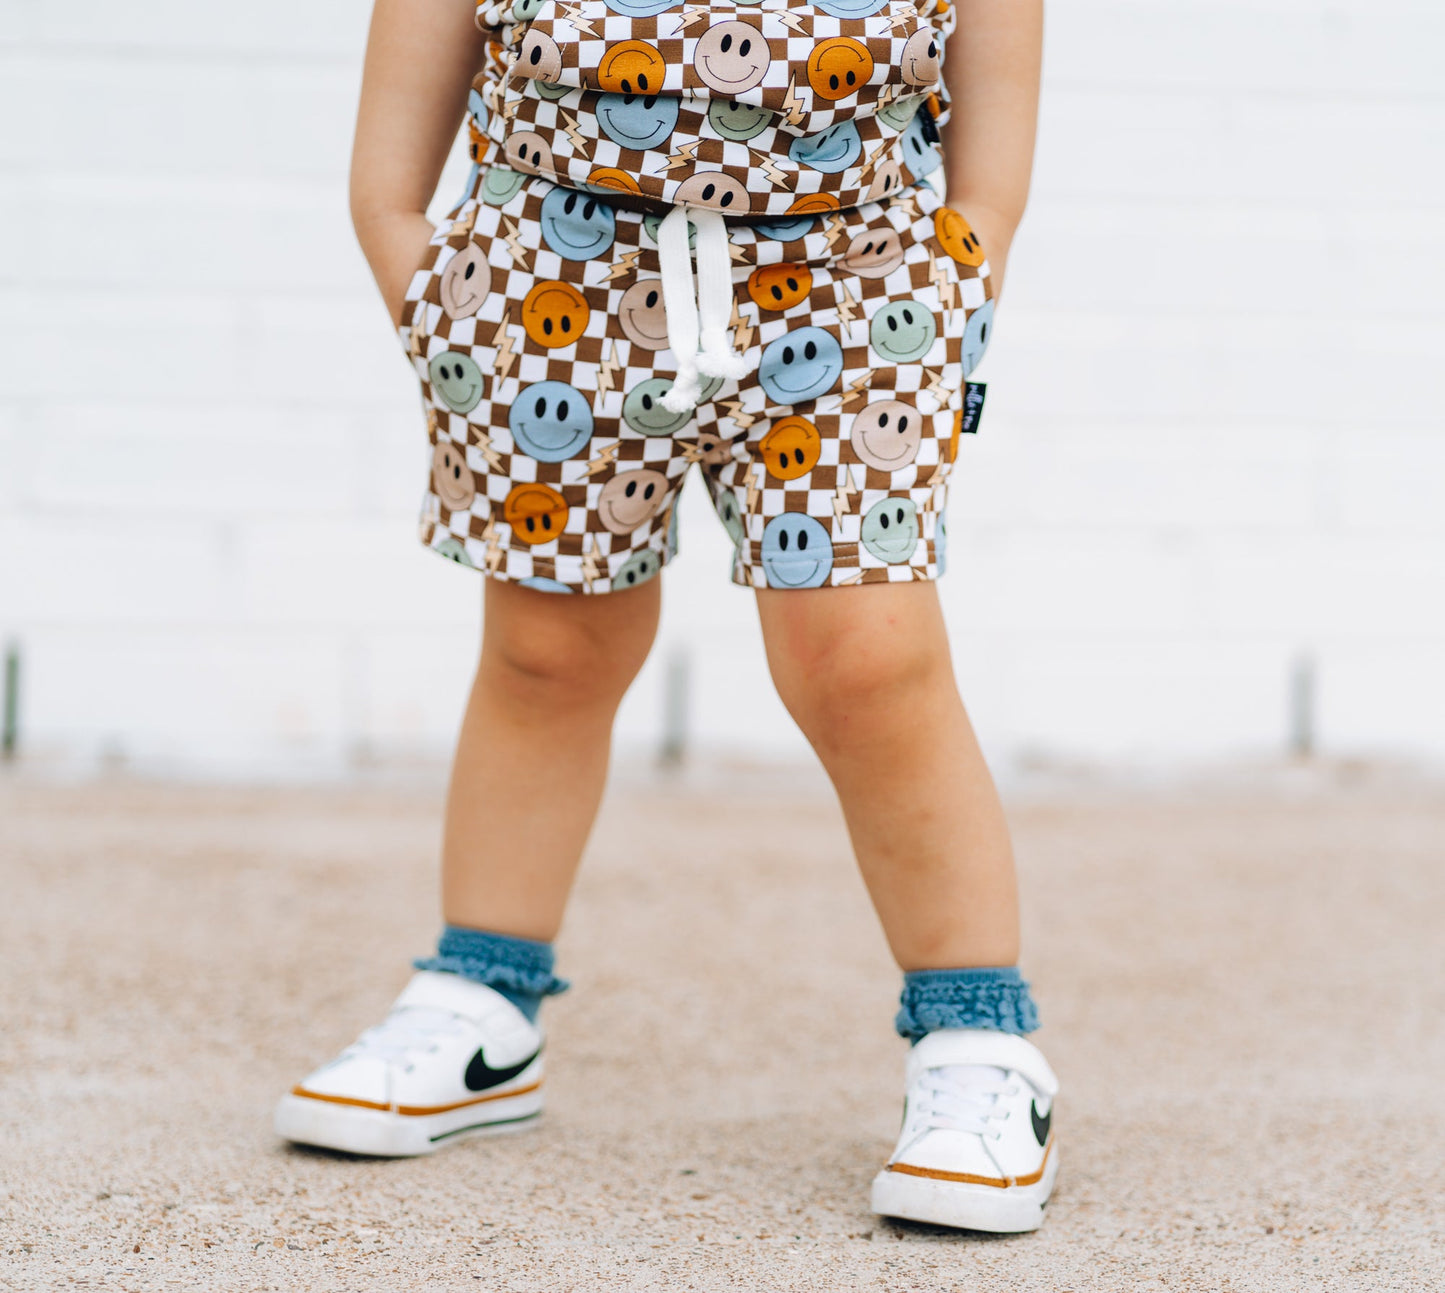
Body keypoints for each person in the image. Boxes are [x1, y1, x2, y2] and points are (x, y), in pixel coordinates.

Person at [274, 0, 1053, 1234]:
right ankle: (482, 1005)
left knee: (864, 658)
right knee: (545, 647)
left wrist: (979, 232)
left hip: (853, 270)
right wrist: (397, 231)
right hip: (550, 258)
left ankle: (977, 1044)